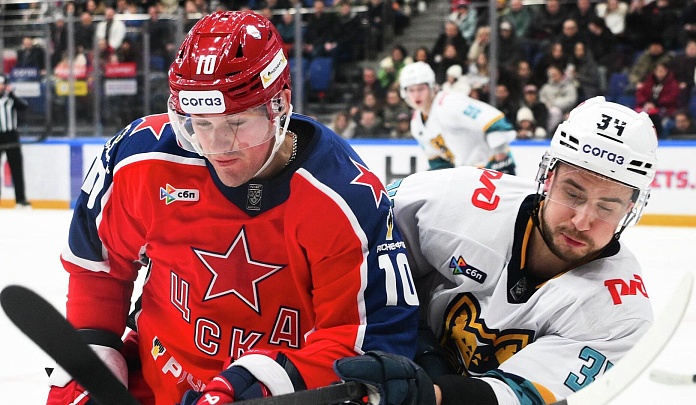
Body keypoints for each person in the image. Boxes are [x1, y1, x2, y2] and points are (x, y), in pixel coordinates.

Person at [46, 11, 418, 405]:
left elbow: (370, 346)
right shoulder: (141, 159)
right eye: (200, 123)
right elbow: (99, 265)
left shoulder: (345, 198)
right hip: (155, 382)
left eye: (236, 122)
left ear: (279, 105)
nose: (216, 145)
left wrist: (262, 384)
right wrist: (93, 355)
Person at [334, 96, 659, 405]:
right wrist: (405, 339)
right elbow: (358, 248)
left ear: (630, 209)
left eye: (607, 208)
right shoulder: (456, 199)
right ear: (548, 178)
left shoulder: (620, 314)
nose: (582, 221)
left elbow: (517, 395)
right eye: (572, 194)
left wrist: (430, 394)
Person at [398, 61, 517, 173]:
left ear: (431, 87)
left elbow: (495, 120)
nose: (416, 95)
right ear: (404, 93)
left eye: (421, 89)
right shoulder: (416, 123)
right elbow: (438, 161)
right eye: (411, 90)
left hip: (491, 168)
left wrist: (499, 155)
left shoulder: (450, 103)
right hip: (468, 175)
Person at [0, 75, 30, 208]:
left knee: (16, 168)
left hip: (11, 136)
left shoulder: (10, 99)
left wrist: (12, 93)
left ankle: (20, 199)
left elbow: (24, 106)